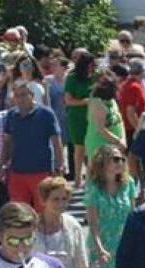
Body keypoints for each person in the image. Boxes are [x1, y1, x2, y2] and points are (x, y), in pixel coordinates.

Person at [2, 80, 64, 213]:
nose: (21, 99)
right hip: (17, 172)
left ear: (32, 95)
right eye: (17, 95)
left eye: (24, 95)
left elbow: (56, 142)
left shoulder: (46, 114)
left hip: (41, 172)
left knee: (42, 213)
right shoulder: (11, 115)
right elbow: (7, 142)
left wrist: (59, 166)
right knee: (20, 214)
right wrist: (3, 164)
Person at [64, 52, 94, 188]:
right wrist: (85, 101)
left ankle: (90, 177)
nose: (92, 68)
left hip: (93, 116)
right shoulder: (72, 78)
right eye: (89, 65)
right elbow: (68, 100)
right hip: (77, 117)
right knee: (79, 148)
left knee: (92, 148)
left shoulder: (95, 78)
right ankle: (77, 178)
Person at [84, 72, 125, 161]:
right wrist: (118, 142)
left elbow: (119, 120)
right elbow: (101, 130)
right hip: (99, 146)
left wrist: (123, 139)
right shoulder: (98, 104)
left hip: (114, 146)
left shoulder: (112, 101)